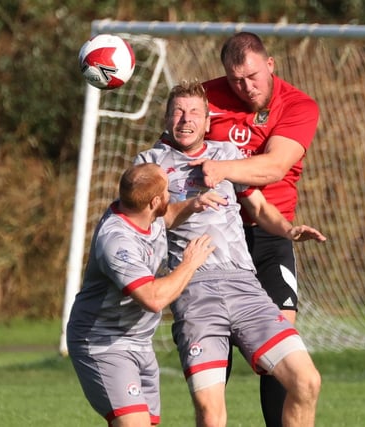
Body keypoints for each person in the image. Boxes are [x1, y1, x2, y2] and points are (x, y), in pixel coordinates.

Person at [134, 80, 325, 427]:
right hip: (195, 292)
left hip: (244, 287)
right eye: (177, 111)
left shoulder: (226, 155)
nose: (185, 119)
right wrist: (191, 205)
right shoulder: (151, 164)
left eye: (194, 112)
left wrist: (288, 230)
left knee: (306, 380)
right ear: (165, 118)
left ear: (208, 122)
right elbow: (145, 223)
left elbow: (260, 207)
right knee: (211, 414)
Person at [190, 31, 321, 426]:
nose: (245, 88)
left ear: (270, 65)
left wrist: (221, 168)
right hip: (215, 237)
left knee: (283, 345)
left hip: (268, 235)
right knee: (214, 350)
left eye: (252, 77)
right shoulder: (204, 99)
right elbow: (176, 150)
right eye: (235, 81)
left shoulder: (298, 105)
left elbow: (274, 167)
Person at [66, 162, 228, 427]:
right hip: (102, 344)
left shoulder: (142, 213)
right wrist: (190, 263)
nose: (171, 194)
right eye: (167, 191)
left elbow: (165, 216)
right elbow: (154, 299)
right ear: (154, 201)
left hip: (139, 342)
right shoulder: (117, 242)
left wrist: (193, 204)